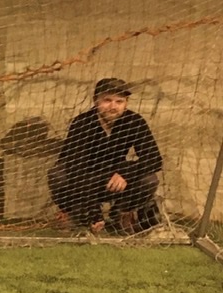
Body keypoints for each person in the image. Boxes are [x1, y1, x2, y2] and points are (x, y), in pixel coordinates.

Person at [48, 78, 162, 234]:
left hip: (113, 178)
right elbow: (76, 168)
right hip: (84, 178)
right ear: (96, 101)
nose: (113, 106)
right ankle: (70, 212)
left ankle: (122, 213)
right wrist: (94, 212)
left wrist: (125, 173)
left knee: (149, 179)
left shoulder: (134, 121)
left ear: (126, 103)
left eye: (119, 101)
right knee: (57, 175)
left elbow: (154, 158)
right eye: (107, 100)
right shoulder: (82, 123)